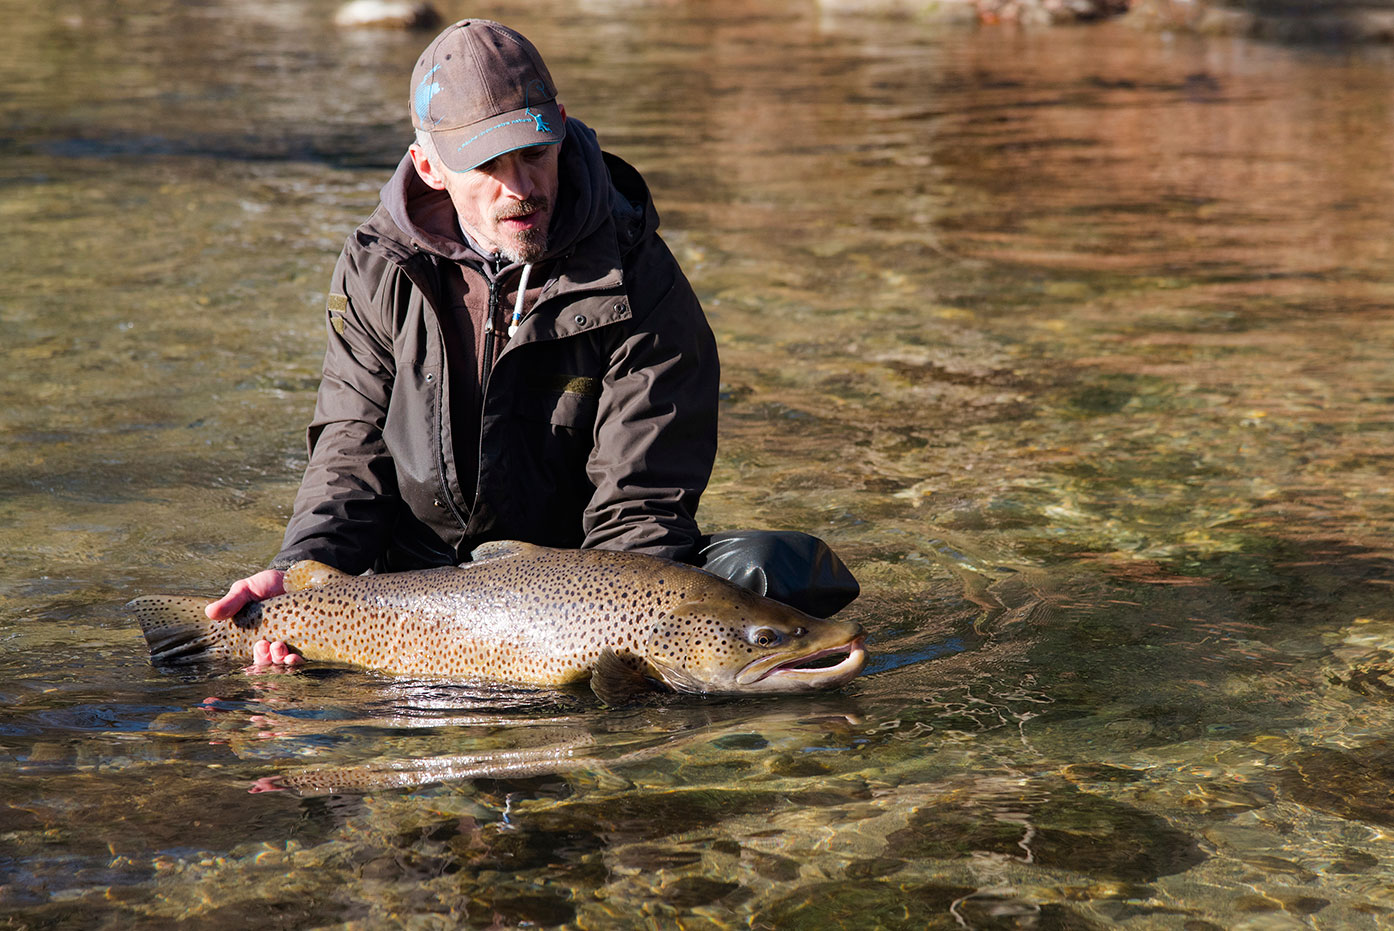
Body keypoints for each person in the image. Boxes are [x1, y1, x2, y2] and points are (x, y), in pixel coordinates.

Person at [206, 19, 858, 666]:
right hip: (418, 580)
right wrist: (296, 575)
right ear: (429, 166)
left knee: (778, 573)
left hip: (582, 579)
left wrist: (620, 662)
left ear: (563, 128)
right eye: (487, 164)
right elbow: (350, 453)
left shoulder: (640, 278)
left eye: (534, 154)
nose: (519, 188)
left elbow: (641, 502)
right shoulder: (379, 268)